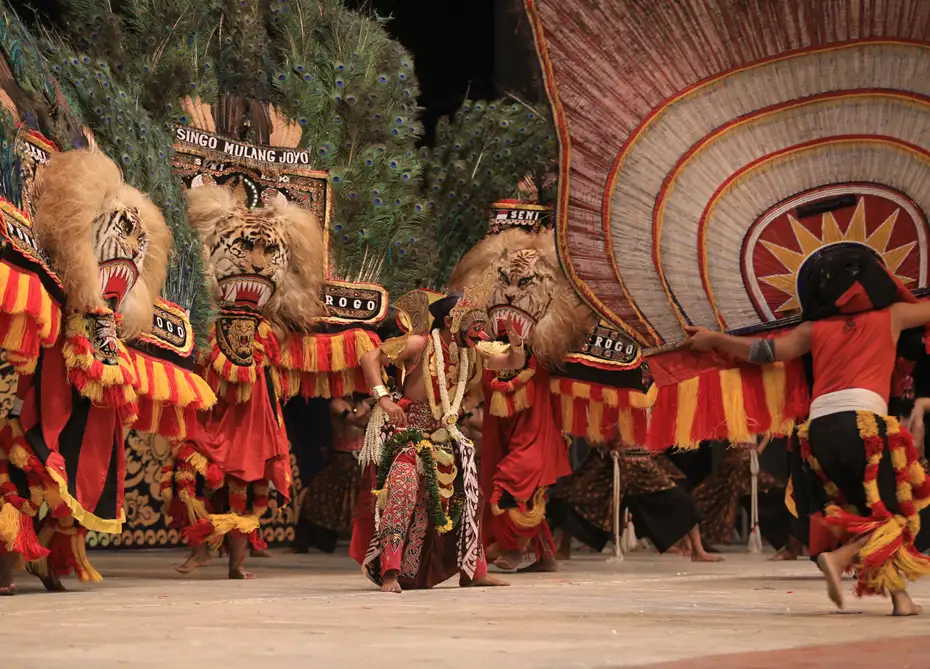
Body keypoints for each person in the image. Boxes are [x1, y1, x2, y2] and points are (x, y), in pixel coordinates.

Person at [686, 243, 930, 615]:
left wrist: (714, 339)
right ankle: (839, 558)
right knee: (895, 515)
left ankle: (901, 600)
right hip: (863, 427)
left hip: (817, 433)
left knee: (867, 511)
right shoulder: (892, 316)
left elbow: (764, 352)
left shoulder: (812, 329)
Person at [353, 281, 518, 593]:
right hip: (408, 433)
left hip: (446, 436)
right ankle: (389, 572)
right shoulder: (420, 343)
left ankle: (475, 571)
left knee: (472, 497)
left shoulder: (469, 350)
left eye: (482, 328)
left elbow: (511, 361)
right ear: (450, 322)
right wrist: (385, 400)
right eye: (475, 326)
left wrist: (518, 341)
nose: (480, 334)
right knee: (402, 493)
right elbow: (369, 359)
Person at [297, 394, 372, 553]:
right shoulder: (337, 405)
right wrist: (379, 407)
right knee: (323, 495)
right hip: (341, 457)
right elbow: (357, 422)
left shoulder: (365, 406)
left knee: (360, 500)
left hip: (361, 458)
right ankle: (312, 537)